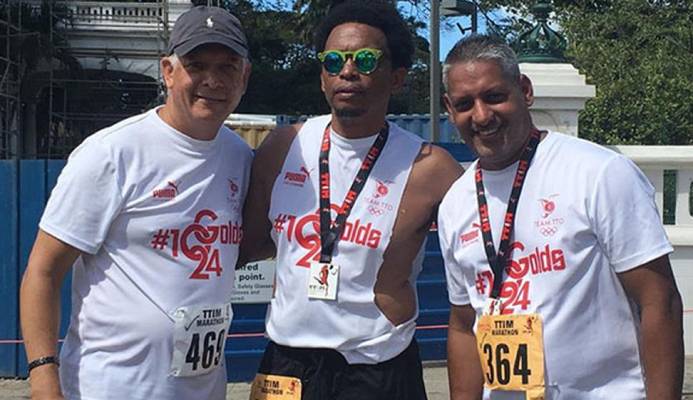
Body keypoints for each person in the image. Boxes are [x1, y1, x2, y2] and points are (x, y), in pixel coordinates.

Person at [19, 6, 253, 400]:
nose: (212, 80)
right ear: (168, 71)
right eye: (196, 65)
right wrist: (44, 382)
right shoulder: (113, 153)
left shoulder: (240, 158)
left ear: (244, 76)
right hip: (111, 388)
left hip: (204, 390)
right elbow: (42, 271)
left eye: (228, 67)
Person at [437, 34, 684, 400]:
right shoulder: (455, 203)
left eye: (494, 97)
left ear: (525, 91)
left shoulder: (598, 173)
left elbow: (658, 300)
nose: (481, 116)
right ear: (449, 109)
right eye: (464, 104)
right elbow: (462, 325)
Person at [239, 1, 463, 399]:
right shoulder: (282, 147)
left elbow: (487, 250)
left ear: (396, 77)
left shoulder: (431, 167)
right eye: (333, 60)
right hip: (287, 366)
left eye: (365, 59)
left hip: (379, 366)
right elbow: (248, 244)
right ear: (322, 75)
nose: (347, 71)